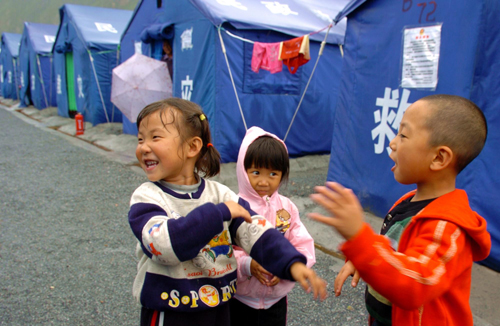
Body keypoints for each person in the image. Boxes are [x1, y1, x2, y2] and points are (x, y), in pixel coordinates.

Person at [128, 98, 326, 326]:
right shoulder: (147, 197)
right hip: (171, 310)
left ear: (192, 147)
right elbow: (163, 245)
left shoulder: (220, 194)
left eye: (155, 137)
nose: (143, 147)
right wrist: (217, 214)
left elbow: (257, 231)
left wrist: (291, 262)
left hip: (219, 307)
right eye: (140, 139)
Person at [308, 94, 491, 326]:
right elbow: (396, 252)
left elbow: (416, 285)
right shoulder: (408, 201)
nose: (393, 143)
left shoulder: (447, 229)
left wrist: (360, 239)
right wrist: (363, 259)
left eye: (403, 135)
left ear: (439, 157)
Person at [230, 127, 316, 326]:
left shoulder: (287, 209)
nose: (263, 181)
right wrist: (246, 264)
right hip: (239, 300)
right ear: (243, 171)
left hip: (275, 302)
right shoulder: (233, 207)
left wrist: (287, 268)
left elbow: (303, 245)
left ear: (282, 174)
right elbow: (220, 251)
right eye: (256, 172)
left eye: (273, 174)